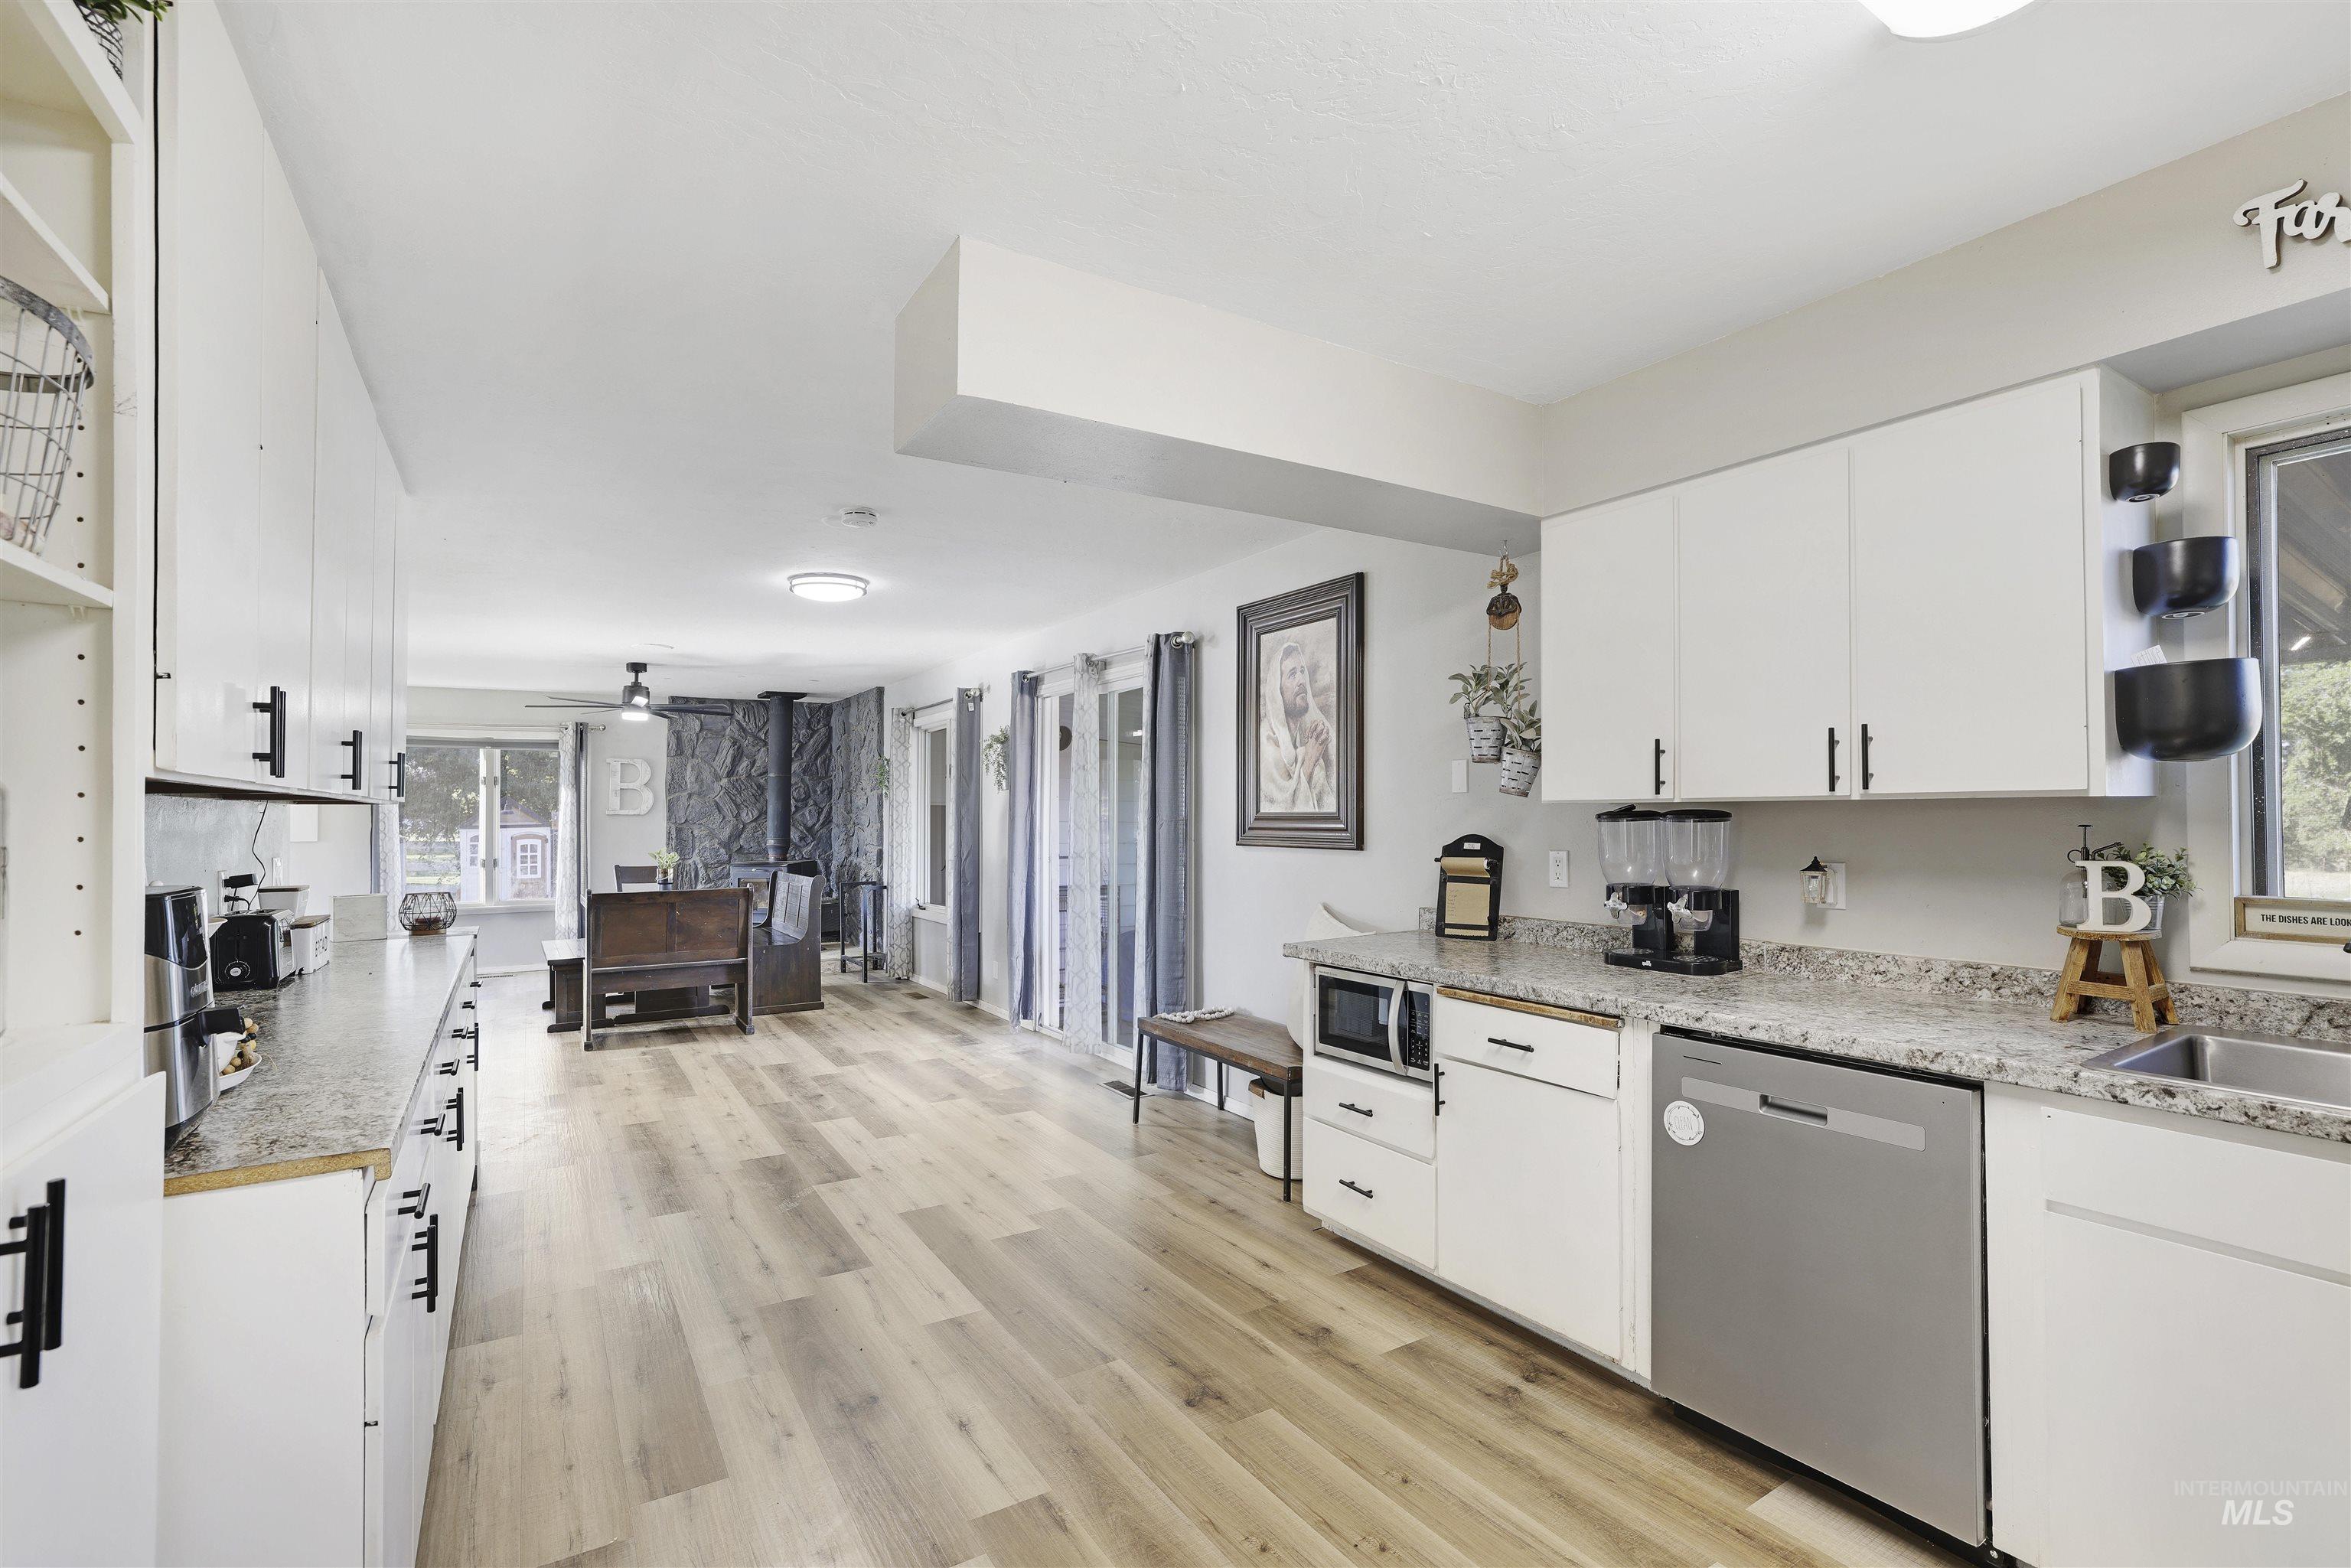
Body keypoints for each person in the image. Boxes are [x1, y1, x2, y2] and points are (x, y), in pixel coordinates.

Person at [1260, 638, 1335, 812]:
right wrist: (1309, 761)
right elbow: (1282, 815)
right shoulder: (1266, 743)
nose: (1301, 680)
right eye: (1292, 674)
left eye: (1302, 671)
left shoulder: (1307, 734)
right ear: (1278, 690)